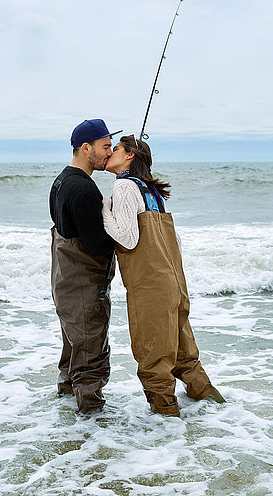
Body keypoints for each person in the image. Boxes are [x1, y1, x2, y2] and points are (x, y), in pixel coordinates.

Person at [102, 135, 225, 417]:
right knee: (183, 350)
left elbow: (127, 238)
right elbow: (176, 242)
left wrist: (103, 209)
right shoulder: (151, 190)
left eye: (116, 149)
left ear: (130, 156)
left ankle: (165, 422)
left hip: (150, 284)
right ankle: (211, 401)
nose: (109, 154)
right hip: (174, 279)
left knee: (153, 352)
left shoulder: (123, 185)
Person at [49, 119, 121, 414]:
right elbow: (96, 246)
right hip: (83, 285)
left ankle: (66, 413)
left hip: (65, 282)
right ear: (85, 148)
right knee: (91, 352)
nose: (109, 152)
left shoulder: (61, 180)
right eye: (105, 147)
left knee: (73, 346)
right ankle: (92, 424)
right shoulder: (84, 190)